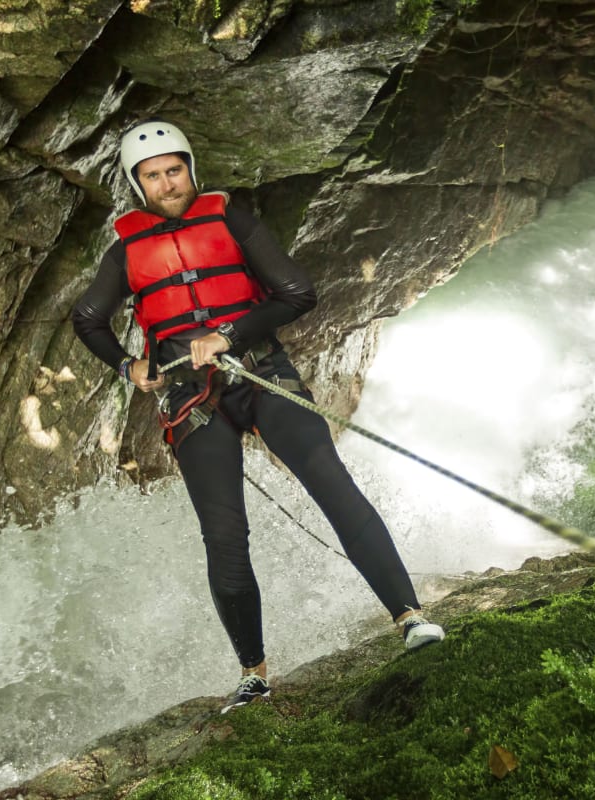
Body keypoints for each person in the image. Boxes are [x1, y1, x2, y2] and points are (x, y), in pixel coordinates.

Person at [71, 118, 444, 713]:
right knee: (224, 535)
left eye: (174, 171)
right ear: (138, 186)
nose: (168, 184)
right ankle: (254, 673)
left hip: (261, 372)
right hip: (192, 401)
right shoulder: (125, 252)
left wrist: (227, 335)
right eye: (153, 176)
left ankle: (411, 617)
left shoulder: (231, 219)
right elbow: (88, 319)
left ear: (190, 169)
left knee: (331, 481)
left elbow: (297, 291)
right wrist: (127, 366)